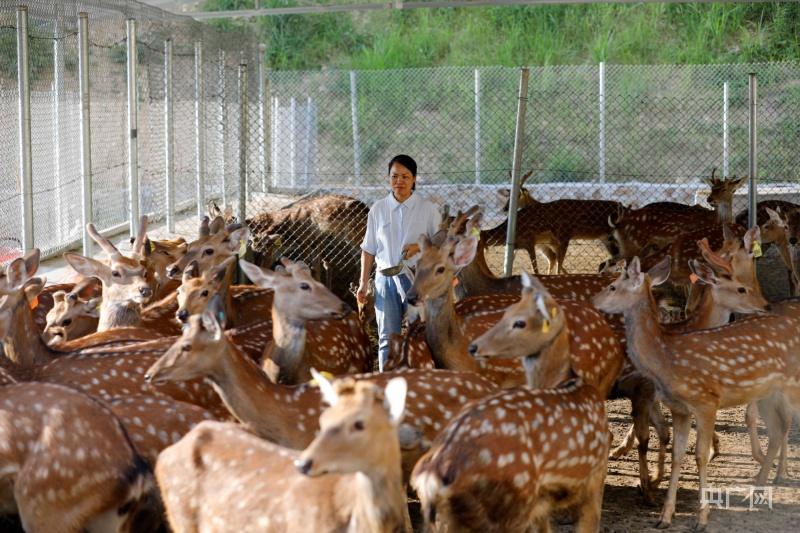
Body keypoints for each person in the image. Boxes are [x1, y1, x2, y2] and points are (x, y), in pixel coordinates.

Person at [358, 155, 441, 371]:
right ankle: (386, 380)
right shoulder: (378, 209)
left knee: (418, 333)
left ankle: (418, 380)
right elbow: (368, 249)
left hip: (417, 280)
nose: (399, 181)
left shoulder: (428, 209)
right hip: (385, 279)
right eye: (394, 176)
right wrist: (363, 283)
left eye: (405, 176)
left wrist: (419, 247)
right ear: (388, 179)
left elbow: (440, 243)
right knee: (387, 335)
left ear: (414, 179)